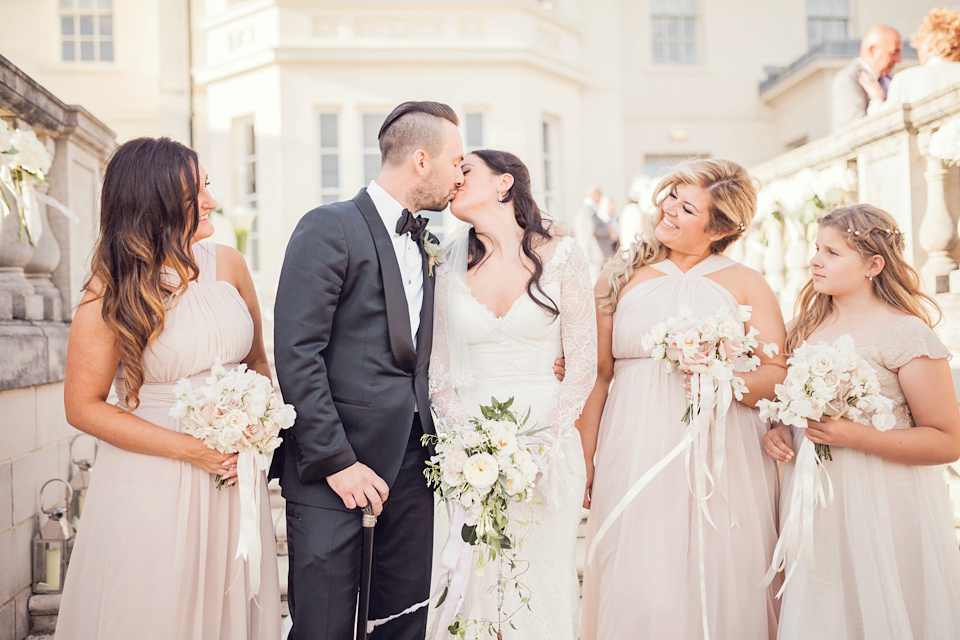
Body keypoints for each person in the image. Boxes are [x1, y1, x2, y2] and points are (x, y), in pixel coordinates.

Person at [57, 137, 280, 639]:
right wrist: (193, 450)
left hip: (231, 479)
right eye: (193, 195)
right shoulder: (111, 286)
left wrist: (258, 423)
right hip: (154, 474)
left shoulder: (229, 264)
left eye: (207, 187)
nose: (212, 202)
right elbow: (82, 406)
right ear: (152, 205)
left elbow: (258, 360)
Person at [271, 101, 463, 640]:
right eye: (456, 162)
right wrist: (336, 460)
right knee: (324, 626)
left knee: (403, 624)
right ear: (421, 161)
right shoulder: (328, 227)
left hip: (413, 466)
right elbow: (297, 353)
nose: (461, 174)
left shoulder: (428, 243)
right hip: (335, 467)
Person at [579, 158, 787, 640]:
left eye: (686, 205)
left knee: (719, 573)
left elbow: (776, 373)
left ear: (720, 227)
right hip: (633, 443)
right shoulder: (620, 273)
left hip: (723, 449)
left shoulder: (746, 283)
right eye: (671, 193)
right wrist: (586, 456)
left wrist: (721, 375)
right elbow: (599, 372)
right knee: (639, 578)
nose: (668, 208)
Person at [762, 204, 960, 640]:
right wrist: (778, 431)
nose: (815, 259)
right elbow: (784, 407)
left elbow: (947, 441)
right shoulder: (802, 328)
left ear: (874, 264)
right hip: (816, 498)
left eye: (832, 253)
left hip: (886, 501)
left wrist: (857, 436)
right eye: (816, 248)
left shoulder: (905, 334)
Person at [428, 150, 598, 638]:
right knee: (472, 583)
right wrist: (467, 449)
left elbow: (582, 364)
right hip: (468, 446)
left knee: (540, 581)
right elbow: (438, 371)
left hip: (549, 436)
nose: (453, 179)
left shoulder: (563, 256)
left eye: (466, 171)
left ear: (504, 184)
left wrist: (542, 448)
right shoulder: (444, 262)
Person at [865, 7, 960, 113]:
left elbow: (883, 121)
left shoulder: (906, 79)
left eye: (918, 46)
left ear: (929, 44)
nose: (918, 53)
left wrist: (876, 100)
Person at [831, 25, 903, 131]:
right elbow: (853, 130)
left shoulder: (894, 79)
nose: (898, 60)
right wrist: (877, 100)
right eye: (894, 53)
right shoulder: (848, 79)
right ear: (872, 50)